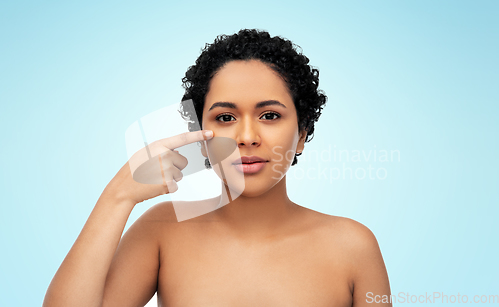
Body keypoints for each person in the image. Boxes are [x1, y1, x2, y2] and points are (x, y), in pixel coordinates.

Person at [43, 29, 391, 307]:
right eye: (225, 117)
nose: (247, 136)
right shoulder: (162, 231)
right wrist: (116, 198)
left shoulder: (353, 246)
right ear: (201, 136)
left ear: (301, 135)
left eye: (270, 115)